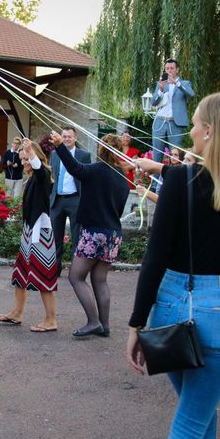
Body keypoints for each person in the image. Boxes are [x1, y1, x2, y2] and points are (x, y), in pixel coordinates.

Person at [126, 93, 220, 439]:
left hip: (172, 304)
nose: (192, 134)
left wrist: (136, 323)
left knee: (192, 418)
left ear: (211, 131)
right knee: (199, 412)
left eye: (197, 126)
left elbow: (155, 257)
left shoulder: (179, 181)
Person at [51, 131, 129, 337]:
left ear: (101, 151)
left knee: (76, 277)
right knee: (100, 279)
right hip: (113, 234)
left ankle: (93, 321)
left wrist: (60, 146)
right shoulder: (123, 178)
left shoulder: (96, 170)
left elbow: (75, 168)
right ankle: (105, 325)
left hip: (94, 231)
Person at [0, 138, 58, 332]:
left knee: (43, 277)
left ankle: (51, 320)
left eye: (27, 159)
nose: (24, 163)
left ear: (36, 157)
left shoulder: (43, 175)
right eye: (22, 160)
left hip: (41, 233)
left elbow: (41, 170)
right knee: (20, 273)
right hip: (29, 231)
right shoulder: (31, 178)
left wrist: (31, 152)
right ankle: (17, 312)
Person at [49, 127, 91, 276]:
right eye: (64, 136)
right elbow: (52, 176)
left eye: (69, 137)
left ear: (75, 138)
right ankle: (55, 270)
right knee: (55, 237)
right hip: (57, 200)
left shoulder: (84, 155)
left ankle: (76, 271)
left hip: (75, 199)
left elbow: (87, 179)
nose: (66, 139)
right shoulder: (54, 154)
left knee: (77, 237)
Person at [150, 58, 195, 163]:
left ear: (177, 69)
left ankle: (174, 178)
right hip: (160, 122)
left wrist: (177, 83)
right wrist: (160, 90)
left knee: (175, 155)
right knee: (157, 155)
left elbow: (191, 94)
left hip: (175, 123)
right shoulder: (161, 84)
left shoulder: (185, 83)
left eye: (171, 68)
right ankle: (155, 179)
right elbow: (153, 102)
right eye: (167, 68)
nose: (169, 70)